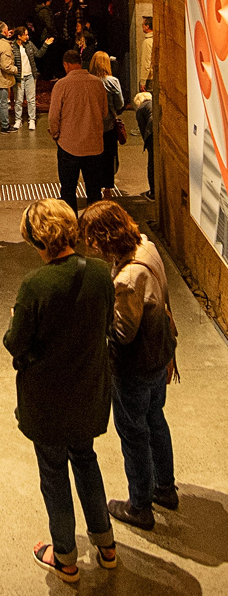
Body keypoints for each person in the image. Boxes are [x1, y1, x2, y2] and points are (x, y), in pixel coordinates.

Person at [3, 198, 118, 582]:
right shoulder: (101, 273)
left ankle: (65, 557)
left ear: (38, 239)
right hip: (89, 391)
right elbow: (103, 326)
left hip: (48, 401)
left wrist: (16, 320)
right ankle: (106, 544)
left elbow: (15, 343)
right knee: (85, 459)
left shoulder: (35, 284)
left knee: (53, 472)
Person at [79, 202, 178, 532]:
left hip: (135, 368)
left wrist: (98, 313)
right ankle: (165, 488)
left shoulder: (127, 277)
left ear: (106, 236)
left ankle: (140, 506)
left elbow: (123, 333)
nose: (90, 245)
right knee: (155, 419)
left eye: (93, 238)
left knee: (133, 434)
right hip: (161, 355)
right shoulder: (146, 247)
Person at [48, 49, 108, 212]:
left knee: (68, 191)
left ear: (66, 65)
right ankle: (95, 229)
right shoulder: (97, 83)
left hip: (69, 146)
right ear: (80, 63)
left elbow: (53, 117)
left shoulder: (61, 85)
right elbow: (104, 112)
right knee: (94, 192)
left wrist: (56, 134)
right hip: (94, 146)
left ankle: (71, 229)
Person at [89, 50, 124, 195]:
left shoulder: (89, 81)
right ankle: (108, 190)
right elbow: (120, 104)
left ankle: (93, 188)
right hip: (108, 125)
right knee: (109, 157)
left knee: (92, 158)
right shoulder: (112, 81)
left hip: (91, 125)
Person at [11, 25, 54, 131]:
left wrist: (45, 45)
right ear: (19, 36)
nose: (27, 36)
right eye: (25, 34)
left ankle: (32, 120)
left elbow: (38, 54)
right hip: (19, 77)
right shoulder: (12, 46)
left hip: (30, 75)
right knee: (19, 99)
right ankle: (18, 120)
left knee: (31, 99)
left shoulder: (29, 45)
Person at [134, 91, 154, 198]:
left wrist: (147, 144)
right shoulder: (153, 103)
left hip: (151, 131)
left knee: (152, 163)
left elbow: (143, 129)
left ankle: (153, 191)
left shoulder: (140, 109)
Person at [139, 16, 154, 93]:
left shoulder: (147, 42)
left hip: (149, 78)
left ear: (147, 26)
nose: (142, 26)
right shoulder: (155, 39)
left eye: (143, 25)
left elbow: (146, 63)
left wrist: (143, 81)